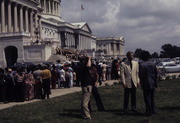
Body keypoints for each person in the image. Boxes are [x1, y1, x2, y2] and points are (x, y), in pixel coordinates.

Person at [139, 51, 157, 116]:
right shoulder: (153, 64)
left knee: (147, 98)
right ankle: (153, 110)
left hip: (146, 82)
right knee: (152, 97)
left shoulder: (142, 65)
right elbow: (155, 73)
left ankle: (149, 112)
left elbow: (141, 75)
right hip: (152, 82)